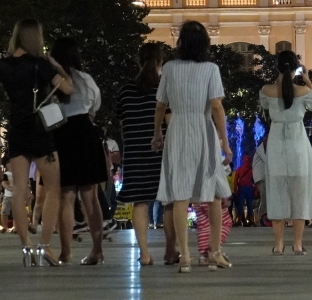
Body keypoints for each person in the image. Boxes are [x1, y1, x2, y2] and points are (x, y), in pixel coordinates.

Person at [152, 20, 234, 273]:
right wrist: (225, 141)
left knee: (180, 194)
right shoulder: (210, 68)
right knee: (214, 194)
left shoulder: (170, 68)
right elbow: (217, 106)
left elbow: (161, 105)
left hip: (177, 129)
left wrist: (157, 133)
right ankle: (214, 253)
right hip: (202, 128)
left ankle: (185, 256)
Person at [0, 19, 74, 266]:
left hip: (17, 129)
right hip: (40, 130)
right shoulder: (41, 65)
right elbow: (68, 89)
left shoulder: (2, 66)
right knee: (53, 188)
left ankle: (26, 246)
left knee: (19, 189)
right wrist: (57, 66)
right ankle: (45, 245)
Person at [260, 49, 312, 255]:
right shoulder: (303, 92)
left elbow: (266, 104)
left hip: (276, 144)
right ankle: (298, 244)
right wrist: (307, 79)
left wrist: (279, 78)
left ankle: (278, 244)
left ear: (277, 67)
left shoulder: (266, 90)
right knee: (300, 195)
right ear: (295, 69)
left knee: (276, 192)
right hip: (298, 144)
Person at [49, 37, 107, 265]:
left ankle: (65, 251)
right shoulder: (86, 79)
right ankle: (97, 250)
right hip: (85, 131)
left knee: (66, 196)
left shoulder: (52, 79)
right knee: (90, 197)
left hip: (62, 133)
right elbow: (96, 105)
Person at [115, 41, 172, 266]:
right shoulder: (163, 88)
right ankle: (170, 251)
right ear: (160, 63)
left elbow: (122, 123)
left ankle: (145, 253)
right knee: (168, 201)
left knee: (140, 202)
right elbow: (169, 121)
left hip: (134, 151)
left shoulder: (125, 90)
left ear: (139, 61)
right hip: (159, 151)